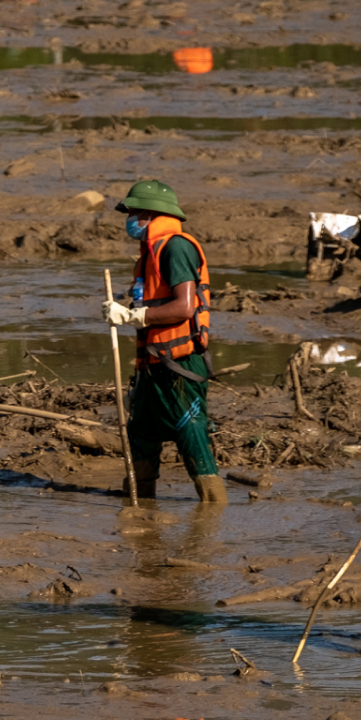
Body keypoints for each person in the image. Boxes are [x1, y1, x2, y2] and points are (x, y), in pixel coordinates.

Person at [100, 180, 226, 503]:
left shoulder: (176, 248)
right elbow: (151, 300)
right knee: (139, 438)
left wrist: (133, 317)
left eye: (135, 212)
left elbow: (183, 307)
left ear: (152, 214)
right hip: (152, 367)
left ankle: (213, 510)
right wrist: (124, 305)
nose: (130, 219)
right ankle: (139, 513)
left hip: (180, 367)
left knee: (193, 440)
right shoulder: (148, 256)